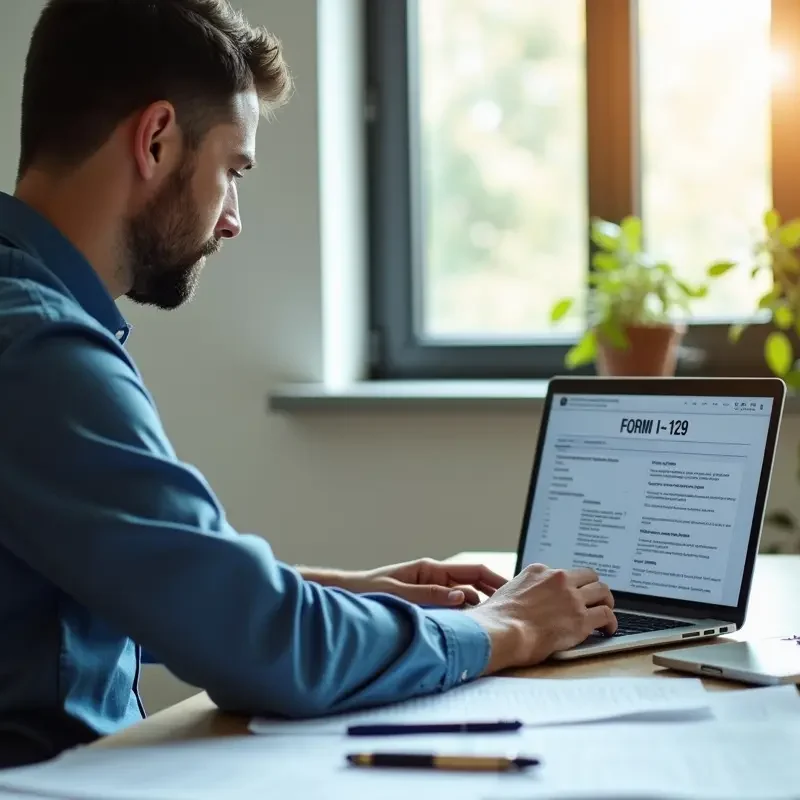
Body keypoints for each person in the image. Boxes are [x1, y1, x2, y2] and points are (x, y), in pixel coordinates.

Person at [0, 0, 617, 768]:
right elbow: (262, 643)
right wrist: (507, 629)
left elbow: (134, 581)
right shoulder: (39, 350)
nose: (232, 219)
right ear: (156, 139)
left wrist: (350, 595)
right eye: (232, 170)